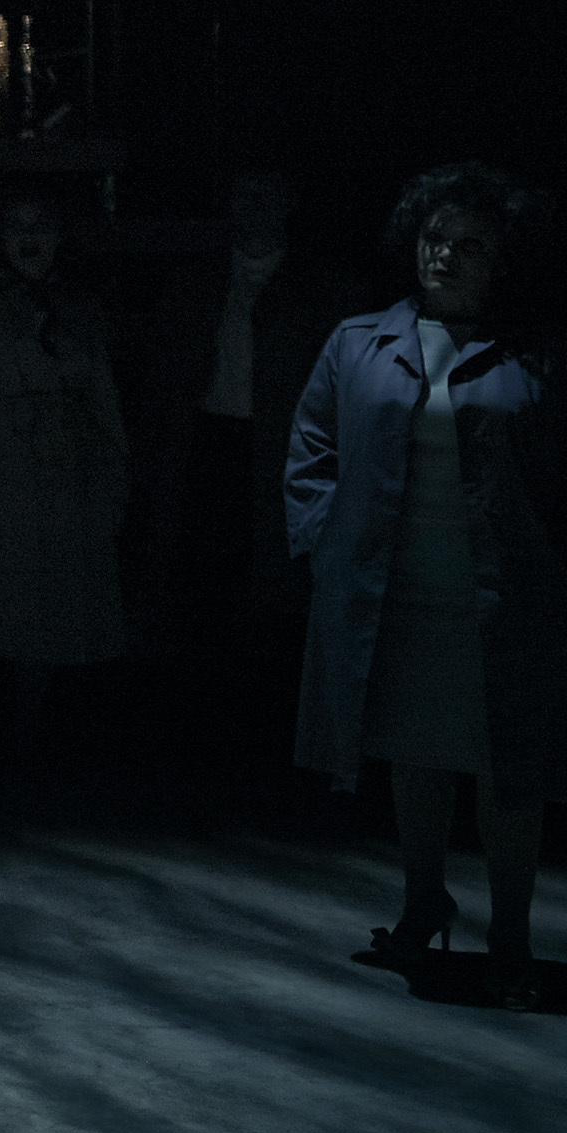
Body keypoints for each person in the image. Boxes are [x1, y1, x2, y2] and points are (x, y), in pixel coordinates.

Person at [291, 163, 567, 1011]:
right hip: (396, 593)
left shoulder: (547, 353)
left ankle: (510, 940)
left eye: (468, 245)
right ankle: (423, 905)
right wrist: (323, 547)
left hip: (505, 601)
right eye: (433, 238)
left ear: (502, 259)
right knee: (414, 752)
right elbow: (311, 450)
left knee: (506, 771)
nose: (443, 256)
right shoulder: (357, 341)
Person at [138, 165, 368, 743]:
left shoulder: (320, 289)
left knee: (274, 590)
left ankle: (261, 728)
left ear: (288, 202)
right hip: (211, 446)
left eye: (266, 194)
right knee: (206, 582)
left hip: (284, 454)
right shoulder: (198, 282)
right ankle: (205, 724)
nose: (254, 206)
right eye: (244, 193)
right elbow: (166, 380)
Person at [0, 192, 131, 752]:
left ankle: (26, 734)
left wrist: (111, 481)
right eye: (15, 226)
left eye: (40, 225)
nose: (28, 237)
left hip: (66, 476)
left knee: (51, 608)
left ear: (59, 235)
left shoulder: (80, 306)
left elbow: (102, 399)